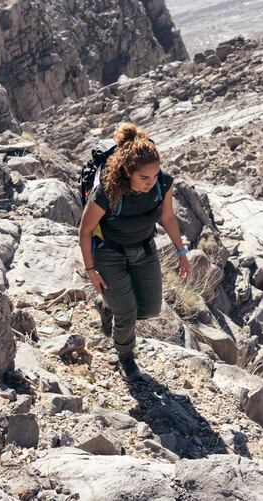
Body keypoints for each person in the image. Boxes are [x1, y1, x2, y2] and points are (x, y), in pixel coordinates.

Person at [79, 123, 190, 381]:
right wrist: (90, 270)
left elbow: (168, 217)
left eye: (154, 176)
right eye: (144, 178)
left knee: (150, 309)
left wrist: (181, 251)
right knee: (127, 313)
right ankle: (126, 358)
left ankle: (109, 307)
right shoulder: (108, 191)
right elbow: (85, 231)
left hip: (144, 250)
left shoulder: (163, 183)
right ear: (128, 171)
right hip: (110, 254)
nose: (150, 183)